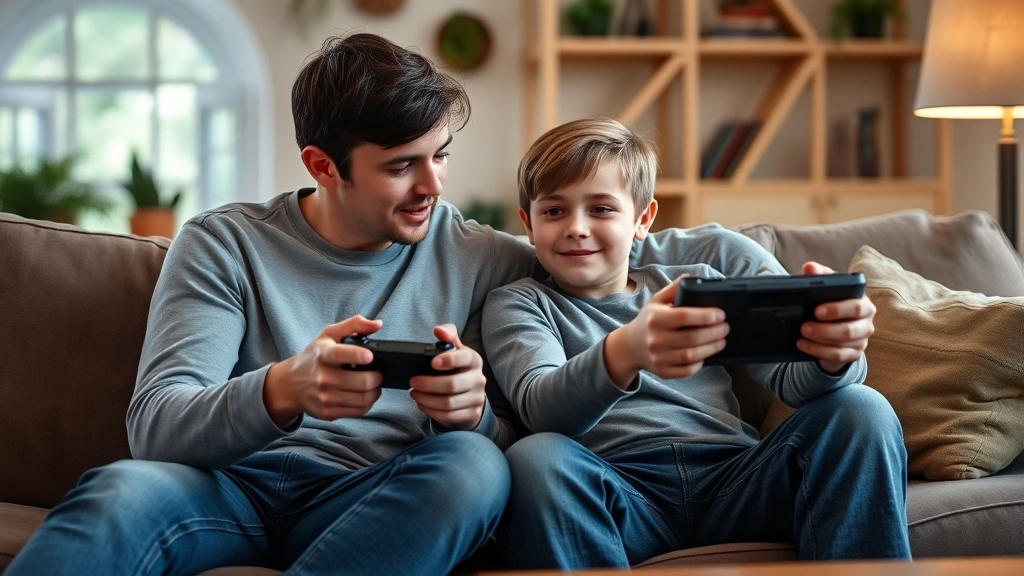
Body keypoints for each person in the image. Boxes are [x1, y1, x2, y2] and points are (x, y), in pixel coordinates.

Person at [6, 36, 700, 576]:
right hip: (222, 488)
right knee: (120, 493)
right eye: (402, 165)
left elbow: (624, 255)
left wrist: (477, 416)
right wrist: (286, 387)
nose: (432, 185)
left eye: (442, 155)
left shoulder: (490, 258)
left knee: (475, 467)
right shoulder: (224, 243)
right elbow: (155, 428)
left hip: (374, 495)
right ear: (322, 166)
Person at [481, 118, 910, 569]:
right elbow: (541, 409)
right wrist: (626, 350)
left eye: (602, 209)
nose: (577, 228)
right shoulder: (520, 304)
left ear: (642, 219)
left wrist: (833, 355)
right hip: (620, 493)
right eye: (554, 211)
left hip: (735, 480)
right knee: (535, 456)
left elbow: (792, 383)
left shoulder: (698, 285)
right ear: (528, 226)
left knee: (862, 408)